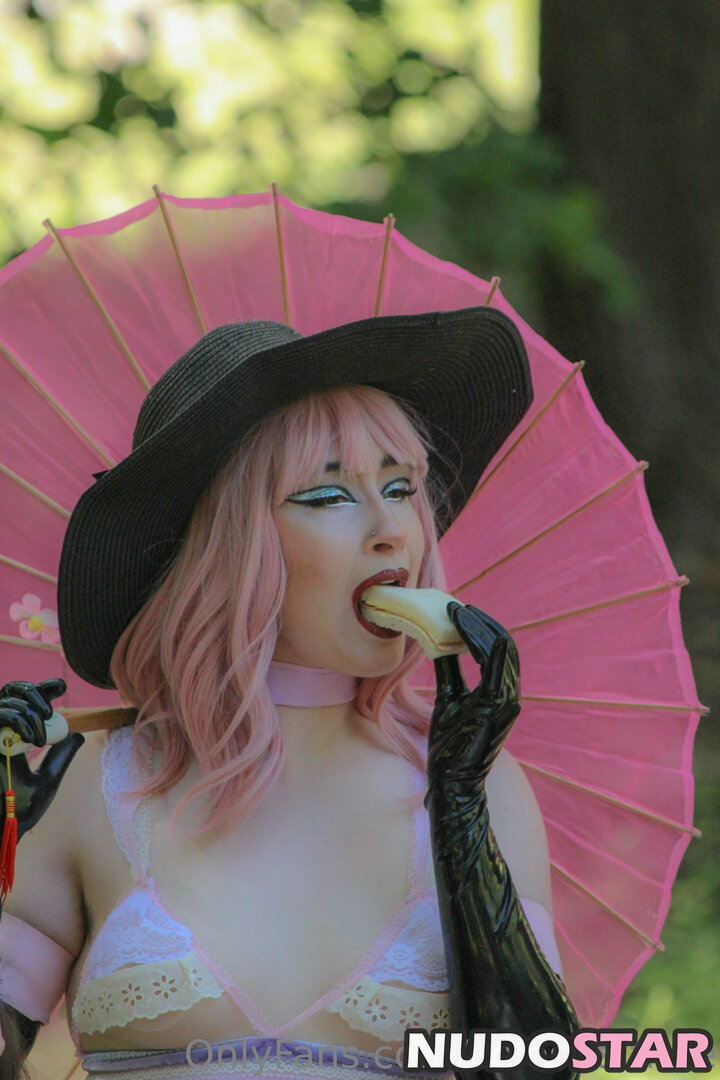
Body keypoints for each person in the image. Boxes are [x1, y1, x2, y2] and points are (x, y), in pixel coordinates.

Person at [0, 310, 578, 1080]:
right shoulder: (82, 783)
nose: (390, 529)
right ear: (225, 544)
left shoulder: (482, 789)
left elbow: (541, 1070)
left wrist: (464, 826)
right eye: (329, 495)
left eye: (400, 487)